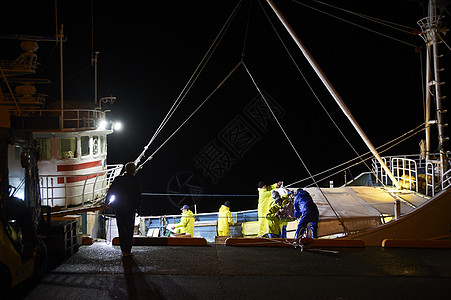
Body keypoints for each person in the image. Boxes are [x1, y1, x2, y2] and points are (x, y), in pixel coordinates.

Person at [108, 162, 141, 257]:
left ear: (125, 170)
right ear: (134, 170)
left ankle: (123, 250)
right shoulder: (135, 181)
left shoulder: (118, 180)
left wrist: (107, 203)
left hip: (119, 208)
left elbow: (111, 192)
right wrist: (138, 209)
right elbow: (138, 197)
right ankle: (128, 250)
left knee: (121, 228)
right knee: (129, 229)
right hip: (130, 209)